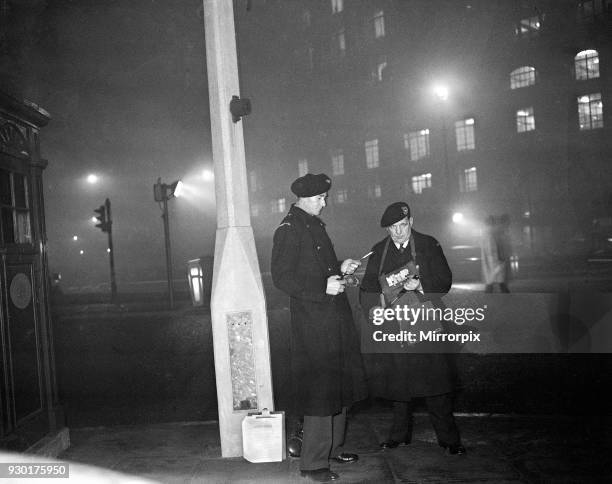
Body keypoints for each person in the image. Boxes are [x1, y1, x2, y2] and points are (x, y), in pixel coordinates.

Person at [271, 173, 367, 483]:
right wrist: (322, 288)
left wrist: (341, 267)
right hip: (314, 322)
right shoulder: (289, 229)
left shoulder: (313, 224)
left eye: (324, 197)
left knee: (338, 383)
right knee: (320, 389)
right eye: (318, 198)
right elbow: (282, 278)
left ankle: (334, 449)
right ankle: (313, 463)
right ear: (301, 199)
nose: (324, 203)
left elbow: (319, 267)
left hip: (332, 318)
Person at [360, 201, 466, 455]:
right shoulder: (378, 252)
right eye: (393, 227)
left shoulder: (429, 245)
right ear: (387, 229)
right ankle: (399, 435)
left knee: (436, 383)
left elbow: (445, 281)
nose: (399, 232)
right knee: (398, 384)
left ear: (411, 222)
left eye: (403, 225)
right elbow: (368, 289)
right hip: (395, 326)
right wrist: (374, 311)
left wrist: (420, 285)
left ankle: (450, 440)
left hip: (427, 323)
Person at [481, 214, 511, 293]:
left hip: (493, 261)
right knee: (498, 281)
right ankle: (507, 298)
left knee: (493, 281)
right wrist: (500, 258)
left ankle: (488, 298)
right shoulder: (492, 233)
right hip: (495, 261)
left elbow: (491, 248)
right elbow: (494, 247)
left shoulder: (487, 233)